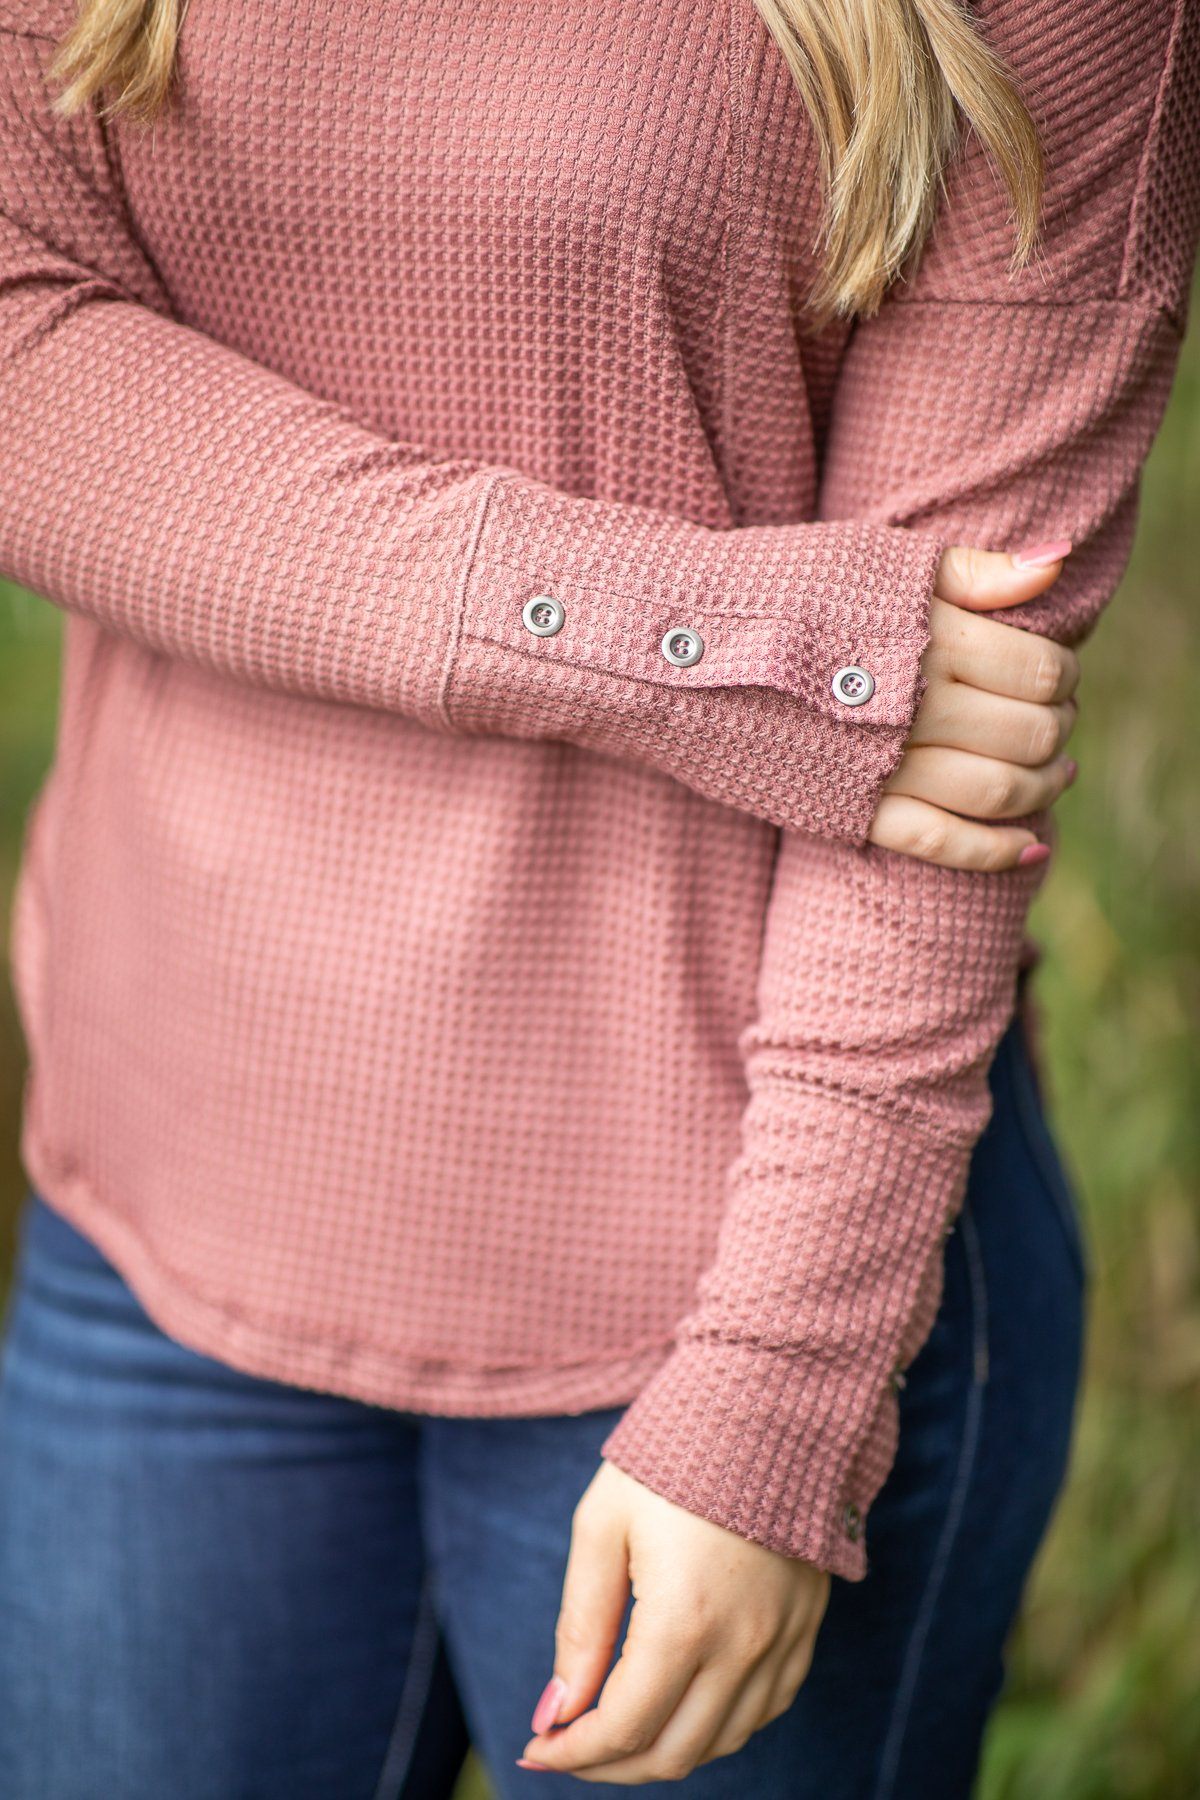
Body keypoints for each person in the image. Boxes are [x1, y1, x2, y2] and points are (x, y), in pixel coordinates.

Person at [0, 0, 1194, 1794]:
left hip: (726, 1269)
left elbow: (947, 786)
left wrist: (778, 1389)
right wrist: (697, 651)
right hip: (167, 1209)